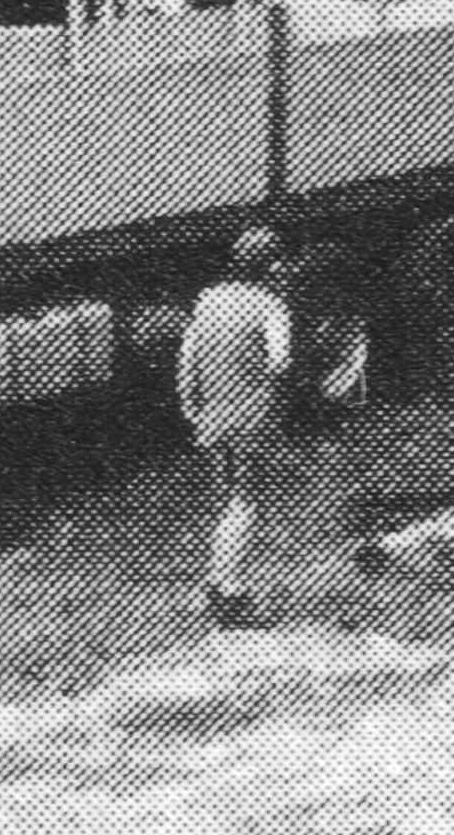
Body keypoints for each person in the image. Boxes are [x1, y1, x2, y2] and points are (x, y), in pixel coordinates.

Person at [179, 225, 297, 626]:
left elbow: (187, 359)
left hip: (213, 415)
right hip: (252, 416)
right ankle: (231, 590)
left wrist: (193, 409)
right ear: (269, 266)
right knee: (246, 502)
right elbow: (279, 363)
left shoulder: (208, 300)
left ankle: (213, 583)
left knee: (226, 501)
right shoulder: (270, 305)